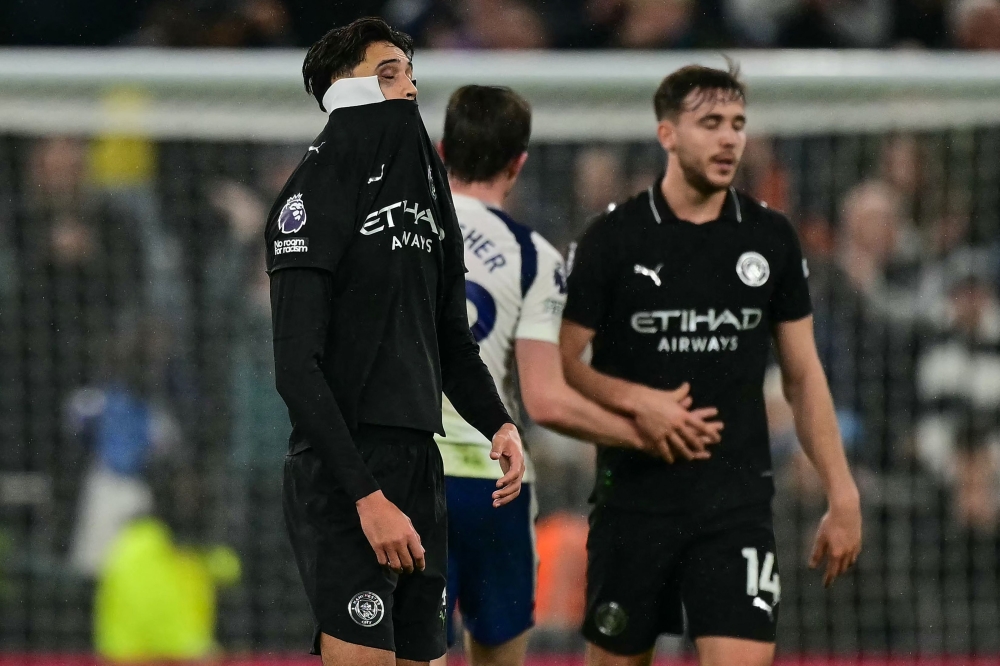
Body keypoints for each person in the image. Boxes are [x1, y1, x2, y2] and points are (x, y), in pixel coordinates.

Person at [559, 64, 863, 666]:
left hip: (736, 507)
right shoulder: (613, 238)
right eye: (711, 124)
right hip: (633, 504)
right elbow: (568, 366)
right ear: (667, 134)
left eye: (738, 125)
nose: (729, 139)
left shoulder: (771, 237)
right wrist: (638, 403)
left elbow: (803, 376)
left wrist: (842, 489)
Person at [430, 85, 724, 666]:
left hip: (412, 474)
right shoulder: (533, 254)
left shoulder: (391, 234)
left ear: (441, 151)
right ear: (519, 163)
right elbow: (546, 402)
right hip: (496, 482)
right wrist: (647, 432)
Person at [264, 18, 524, 666]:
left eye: (409, 74)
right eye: (387, 75)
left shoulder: (431, 205)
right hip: (346, 474)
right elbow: (297, 369)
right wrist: (366, 498)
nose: (407, 90)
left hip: (421, 466)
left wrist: (499, 422)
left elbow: (452, 344)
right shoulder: (309, 197)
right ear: (339, 91)